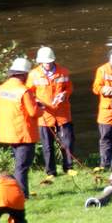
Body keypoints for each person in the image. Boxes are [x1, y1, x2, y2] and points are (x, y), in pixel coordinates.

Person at [0, 57, 43, 199]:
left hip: (8, 133)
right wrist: (41, 108)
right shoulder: (23, 91)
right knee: (22, 167)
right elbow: (33, 112)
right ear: (23, 74)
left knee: (18, 165)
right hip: (23, 134)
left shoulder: (1, 88)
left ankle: (17, 193)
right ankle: (22, 196)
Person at [26, 46, 76, 181]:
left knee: (67, 142)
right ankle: (51, 172)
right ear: (40, 62)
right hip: (44, 116)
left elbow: (69, 87)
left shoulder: (63, 72)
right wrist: (37, 101)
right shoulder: (33, 74)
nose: (47, 64)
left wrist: (64, 94)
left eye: (49, 61)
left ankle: (68, 168)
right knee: (47, 146)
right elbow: (29, 93)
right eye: (45, 62)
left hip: (63, 114)